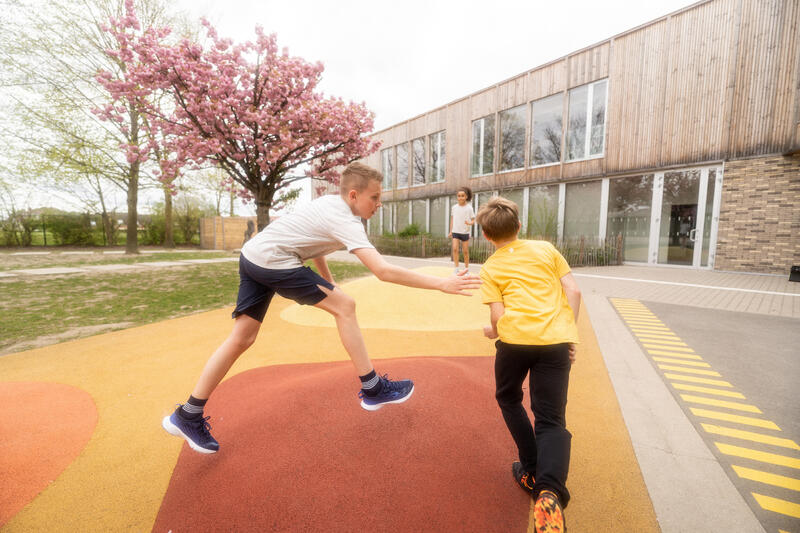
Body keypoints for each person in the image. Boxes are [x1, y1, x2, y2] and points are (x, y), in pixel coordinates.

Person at [162, 162, 481, 454]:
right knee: (346, 307)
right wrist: (442, 284)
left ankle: (188, 414)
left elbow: (317, 246)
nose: (379, 204)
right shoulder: (344, 219)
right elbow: (383, 271)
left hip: (253, 256)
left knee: (242, 337)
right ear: (354, 195)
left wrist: (331, 285)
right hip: (274, 261)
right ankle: (372, 388)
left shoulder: (331, 206)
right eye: (375, 197)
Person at [476, 196, 581, 533]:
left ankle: (531, 465)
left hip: (515, 342)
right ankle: (549, 490)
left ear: (487, 236)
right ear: (519, 226)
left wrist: (491, 330)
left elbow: (497, 314)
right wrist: (569, 333)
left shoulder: (491, 267)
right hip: (554, 342)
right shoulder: (546, 249)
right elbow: (574, 292)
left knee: (508, 398)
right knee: (551, 418)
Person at [448, 186, 475, 273]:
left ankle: (466, 269)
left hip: (464, 232)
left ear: (466, 197)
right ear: (457, 197)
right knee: (455, 249)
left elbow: (473, 219)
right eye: (459, 196)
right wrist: (450, 231)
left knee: (465, 251)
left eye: (462, 195)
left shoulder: (469, 208)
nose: (460, 197)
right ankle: (456, 268)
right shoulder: (454, 207)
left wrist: (470, 223)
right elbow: (452, 219)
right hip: (455, 231)